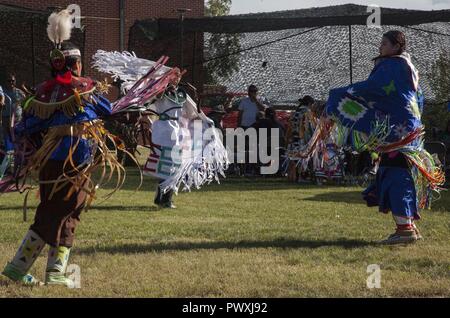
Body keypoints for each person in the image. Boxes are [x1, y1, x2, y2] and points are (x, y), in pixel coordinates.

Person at [1, 10, 120, 287]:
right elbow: (108, 109)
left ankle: (55, 273)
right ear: (75, 64)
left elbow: (23, 126)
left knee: (67, 212)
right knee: (55, 213)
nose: (79, 68)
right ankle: (18, 266)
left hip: (50, 159)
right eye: (78, 63)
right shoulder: (83, 89)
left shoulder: (43, 92)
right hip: (76, 157)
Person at [326, 30, 445, 244]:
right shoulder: (407, 68)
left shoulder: (392, 66)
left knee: (395, 177)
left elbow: (374, 89)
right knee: (399, 175)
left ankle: (405, 230)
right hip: (408, 129)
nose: (380, 47)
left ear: (396, 46)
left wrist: (338, 94)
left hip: (398, 131)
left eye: (384, 43)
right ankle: (408, 226)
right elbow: (414, 99)